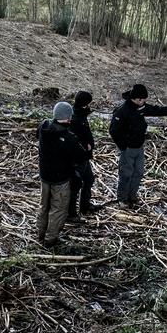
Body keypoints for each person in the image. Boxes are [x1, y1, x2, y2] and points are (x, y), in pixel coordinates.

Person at [108, 84, 167, 208]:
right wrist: (123, 146)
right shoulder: (122, 111)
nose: (144, 102)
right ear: (136, 99)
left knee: (138, 173)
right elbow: (113, 131)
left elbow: (156, 110)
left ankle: (132, 196)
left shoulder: (141, 106)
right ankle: (122, 199)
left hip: (139, 147)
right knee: (126, 174)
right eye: (142, 100)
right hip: (127, 149)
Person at [37, 101, 87, 248]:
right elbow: (81, 156)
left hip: (44, 175)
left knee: (44, 205)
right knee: (58, 209)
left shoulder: (44, 125)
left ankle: (40, 233)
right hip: (60, 179)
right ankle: (50, 239)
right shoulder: (68, 138)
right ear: (68, 118)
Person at [68, 90, 100, 218]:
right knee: (75, 185)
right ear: (85, 103)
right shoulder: (75, 117)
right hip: (78, 157)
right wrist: (84, 146)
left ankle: (85, 206)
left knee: (89, 179)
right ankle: (71, 213)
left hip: (85, 156)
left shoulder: (80, 113)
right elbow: (72, 137)